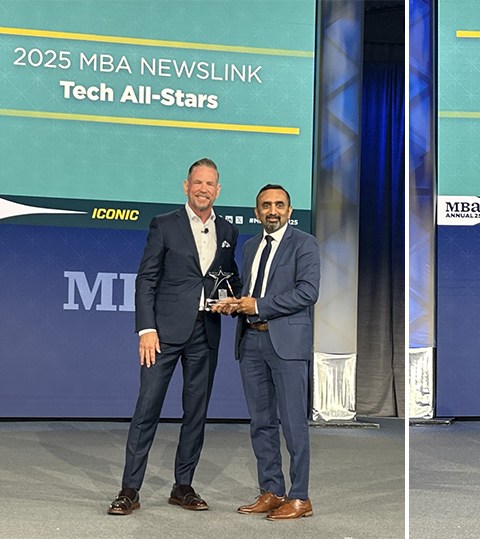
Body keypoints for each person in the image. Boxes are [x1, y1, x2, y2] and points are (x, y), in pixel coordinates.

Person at [107, 158, 241, 515]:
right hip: (163, 334)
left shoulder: (228, 231)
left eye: (209, 184)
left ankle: (183, 487)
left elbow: (228, 277)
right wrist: (147, 329)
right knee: (147, 408)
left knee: (196, 412)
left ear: (218, 190)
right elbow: (146, 279)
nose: (203, 189)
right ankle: (129, 489)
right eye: (197, 182)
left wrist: (235, 300)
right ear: (186, 186)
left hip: (205, 332)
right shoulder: (164, 224)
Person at [213, 184, 320, 520]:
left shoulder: (305, 243)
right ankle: (272, 491)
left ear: (289, 211)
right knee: (261, 422)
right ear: (256, 212)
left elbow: (308, 292)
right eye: (266, 205)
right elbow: (250, 290)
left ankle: (300, 497)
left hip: (286, 345)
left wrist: (259, 305)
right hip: (251, 342)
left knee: (293, 423)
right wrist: (236, 304)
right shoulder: (250, 246)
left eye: (279, 205)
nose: (272, 211)